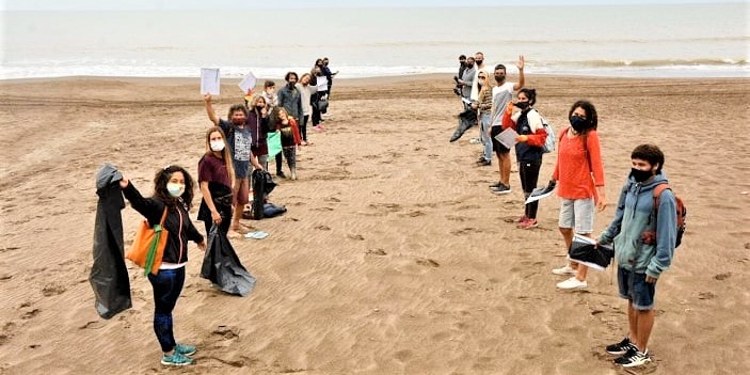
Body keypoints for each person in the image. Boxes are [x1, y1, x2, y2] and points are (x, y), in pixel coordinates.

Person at [597, 144, 676, 368]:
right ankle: (633, 340)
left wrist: (657, 266)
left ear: (655, 166)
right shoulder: (631, 186)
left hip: (645, 261)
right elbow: (619, 216)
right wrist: (605, 238)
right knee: (631, 300)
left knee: (644, 305)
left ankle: (642, 350)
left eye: (641, 165)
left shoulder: (664, 196)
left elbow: (667, 236)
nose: (636, 168)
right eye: (634, 163)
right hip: (625, 255)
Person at [119, 165, 206, 366]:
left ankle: (173, 344)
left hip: (179, 266)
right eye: (174, 181)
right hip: (163, 268)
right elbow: (140, 202)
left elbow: (187, 227)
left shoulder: (180, 204)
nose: (179, 185)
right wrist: (127, 186)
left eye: (182, 182)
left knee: (168, 308)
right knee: (163, 310)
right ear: (164, 183)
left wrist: (199, 239)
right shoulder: (157, 205)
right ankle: (168, 353)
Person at [551, 100, 607, 290]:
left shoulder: (590, 136)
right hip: (566, 189)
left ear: (590, 119)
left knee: (583, 233)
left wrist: (601, 193)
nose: (578, 118)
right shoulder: (563, 133)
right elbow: (560, 158)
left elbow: (597, 165)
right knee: (564, 227)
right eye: (576, 114)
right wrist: (553, 177)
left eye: (582, 116)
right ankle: (573, 262)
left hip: (583, 190)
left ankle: (581, 277)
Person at [203, 95, 264, 234]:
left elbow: (247, 150)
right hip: (231, 172)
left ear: (245, 116)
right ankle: (226, 228)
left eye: (241, 114)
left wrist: (256, 164)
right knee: (230, 201)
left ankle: (236, 224)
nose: (239, 116)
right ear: (231, 116)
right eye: (236, 114)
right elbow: (214, 118)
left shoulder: (247, 130)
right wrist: (208, 102)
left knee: (243, 200)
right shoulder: (228, 128)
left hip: (244, 172)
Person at [488, 56, 526, 194]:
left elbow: (520, 85)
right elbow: (494, 108)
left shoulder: (509, 87)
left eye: (501, 73)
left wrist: (521, 70)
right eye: (497, 73)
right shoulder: (494, 90)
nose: (499, 75)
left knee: (505, 154)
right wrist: (490, 125)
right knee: (499, 155)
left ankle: (507, 184)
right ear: (494, 74)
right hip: (496, 125)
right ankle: (501, 181)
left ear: (505, 74)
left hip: (506, 125)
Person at [511, 88, 547, 229]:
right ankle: (527, 214)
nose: (520, 101)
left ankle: (532, 217)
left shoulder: (533, 116)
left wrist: (527, 138)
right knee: (525, 187)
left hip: (532, 156)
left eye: (523, 99)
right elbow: (507, 126)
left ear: (530, 100)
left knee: (531, 188)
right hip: (522, 155)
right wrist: (508, 112)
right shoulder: (520, 115)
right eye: (519, 98)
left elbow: (542, 137)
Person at [197, 127, 235, 237]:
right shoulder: (206, 160)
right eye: (213, 139)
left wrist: (230, 204)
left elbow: (228, 181)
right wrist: (213, 211)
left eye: (219, 138)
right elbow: (204, 187)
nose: (217, 141)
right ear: (208, 142)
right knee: (214, 241)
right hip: (213, 204)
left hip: (225, 204)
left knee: (223, 239)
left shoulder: (225, 157)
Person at [270, 106, 302, 180]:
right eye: (279, 114)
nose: (282, 115)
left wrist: (299, 143)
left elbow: (297, 133)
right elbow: (277, 134)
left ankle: (293, 172)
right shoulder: (279, 124)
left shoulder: (291, 122)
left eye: (282, 113)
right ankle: (291, 170)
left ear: (285, 113)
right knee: (287, 159)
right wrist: (277, 131)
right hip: (284, 145)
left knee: (292, 158)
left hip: (292, 144)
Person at [473, 71, 495, 166]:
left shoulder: (487, 89)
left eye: (483, 77)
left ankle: (488, 158)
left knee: (487, 137)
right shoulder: (486, 88)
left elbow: (491, 104)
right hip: (483, 114)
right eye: (479, 77)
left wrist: (477, 105)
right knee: (483, 137)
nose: (480, 79)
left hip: (487, 115)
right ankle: (486, 155)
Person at [246, 94, 270, 170]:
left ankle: (263, 181)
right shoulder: (248, 114)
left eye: (263, 102)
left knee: (263, 167)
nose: (261, 104)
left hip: (262, 144)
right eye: (259, 102)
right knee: (248, 169)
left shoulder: (266, 115)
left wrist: (263, 117)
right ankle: (249, 181)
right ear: (254, 102)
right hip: (251, 144)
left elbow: (266, 130)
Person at [296, 73, 316, 145]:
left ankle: (305, 139)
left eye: (308, 79)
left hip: (307, 110)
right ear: (302, 77)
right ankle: (300, 140)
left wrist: (324, 78)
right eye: (305, 77)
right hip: (299, 110)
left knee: (304, 126)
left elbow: (317, 87)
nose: (306, 79)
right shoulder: (297, 86)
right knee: (299, 126)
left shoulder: (309, 88)